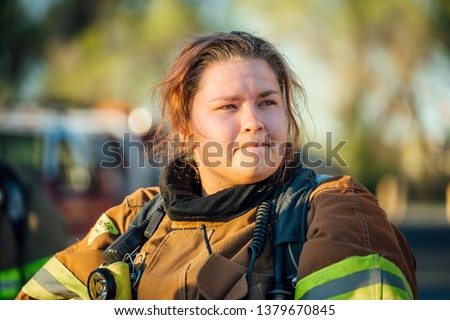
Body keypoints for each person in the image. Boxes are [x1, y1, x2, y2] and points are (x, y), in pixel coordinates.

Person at [16, 31, 417, 300]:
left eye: (267, 102)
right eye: (228, 106)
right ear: (188, 128)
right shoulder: (133, 219)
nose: (253, 121)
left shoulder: (333, 210)